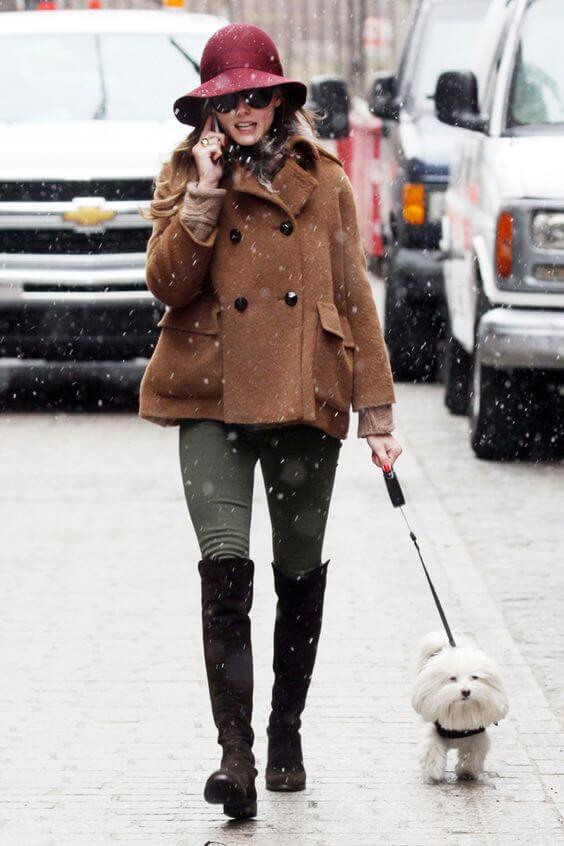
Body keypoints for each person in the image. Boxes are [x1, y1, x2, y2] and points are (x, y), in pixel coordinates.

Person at [139, 23, 402, 820]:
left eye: (257, 95)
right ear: (209, 109)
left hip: (300, 391)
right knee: (225, 573)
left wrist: (378, 410)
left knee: (297, 575)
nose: (245, 110)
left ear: (279, 99)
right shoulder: (186, 173)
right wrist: (205, 198)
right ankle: (236, 756)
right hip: (211, 390)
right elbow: (167, 285)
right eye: (229, 98)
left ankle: (285, 729)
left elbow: (354, 293)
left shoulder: (322, 180)